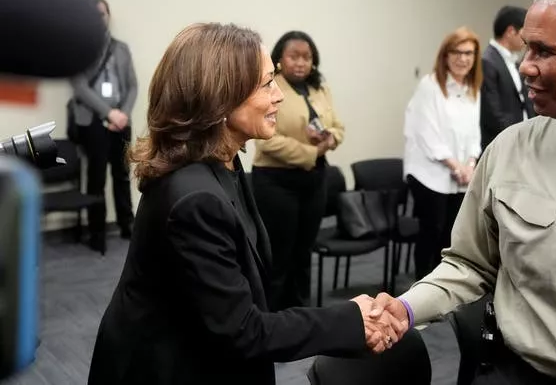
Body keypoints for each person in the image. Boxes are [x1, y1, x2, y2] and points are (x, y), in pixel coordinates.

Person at [87, 23, 406, 385]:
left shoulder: (224, 162)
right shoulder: (196, 198)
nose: (279, 95)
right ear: (222, 97)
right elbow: (243, 330)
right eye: (267, 83)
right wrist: (352, 319)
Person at [374, 0, 556, 385]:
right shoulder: (510, 150)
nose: (525, 65)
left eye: (544, 51)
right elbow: (468, 263)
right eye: (526, 46)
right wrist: (405, 308)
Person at [252, 31, 345, 311]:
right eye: (294, 56)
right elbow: (265, 140)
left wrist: (330, 139)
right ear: (280, 58)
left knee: (304, 252)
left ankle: (300, 311)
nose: (301, 63)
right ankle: (272, 315)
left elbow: (338, 126)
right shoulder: (269, 87)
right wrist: (312, 152)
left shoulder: (320, 87)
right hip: (276, 181)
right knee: (279, 254)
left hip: (314, 179)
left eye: (307, 57)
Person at [403, 26, 482, 280]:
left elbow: (474, 133)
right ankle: (420, 294)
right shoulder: (430, 85)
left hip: (460, 177)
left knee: (452, 237)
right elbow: (427, 134)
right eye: (456, 52)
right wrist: (456, 166)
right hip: (430, 174)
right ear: (445, 56)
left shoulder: (472, 88)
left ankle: (442, 293)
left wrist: (470, 164)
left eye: (469, 53)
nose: (463, 59)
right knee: (431, 234)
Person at [69, 0, 137, 252]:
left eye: (103, 14)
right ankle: (96, 231)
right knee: (96, 177)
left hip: (121, 120)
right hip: (94, 121)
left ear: (109, 17)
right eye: (94, 14)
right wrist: (109, 113)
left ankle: (126, 223)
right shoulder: (80, 48)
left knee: (121, 175)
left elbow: (132, 85)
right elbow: (79, 86)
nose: (100, 19)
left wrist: (124, 114)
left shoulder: (121, 48)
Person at [480, 6, 535, 150]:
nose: (526, 39)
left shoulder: (513, 61)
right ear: (511, 31)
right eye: (524, 32)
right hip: (504, 144)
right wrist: (516, 138)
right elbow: (492, 113)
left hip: (522, 139)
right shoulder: (488, 62)